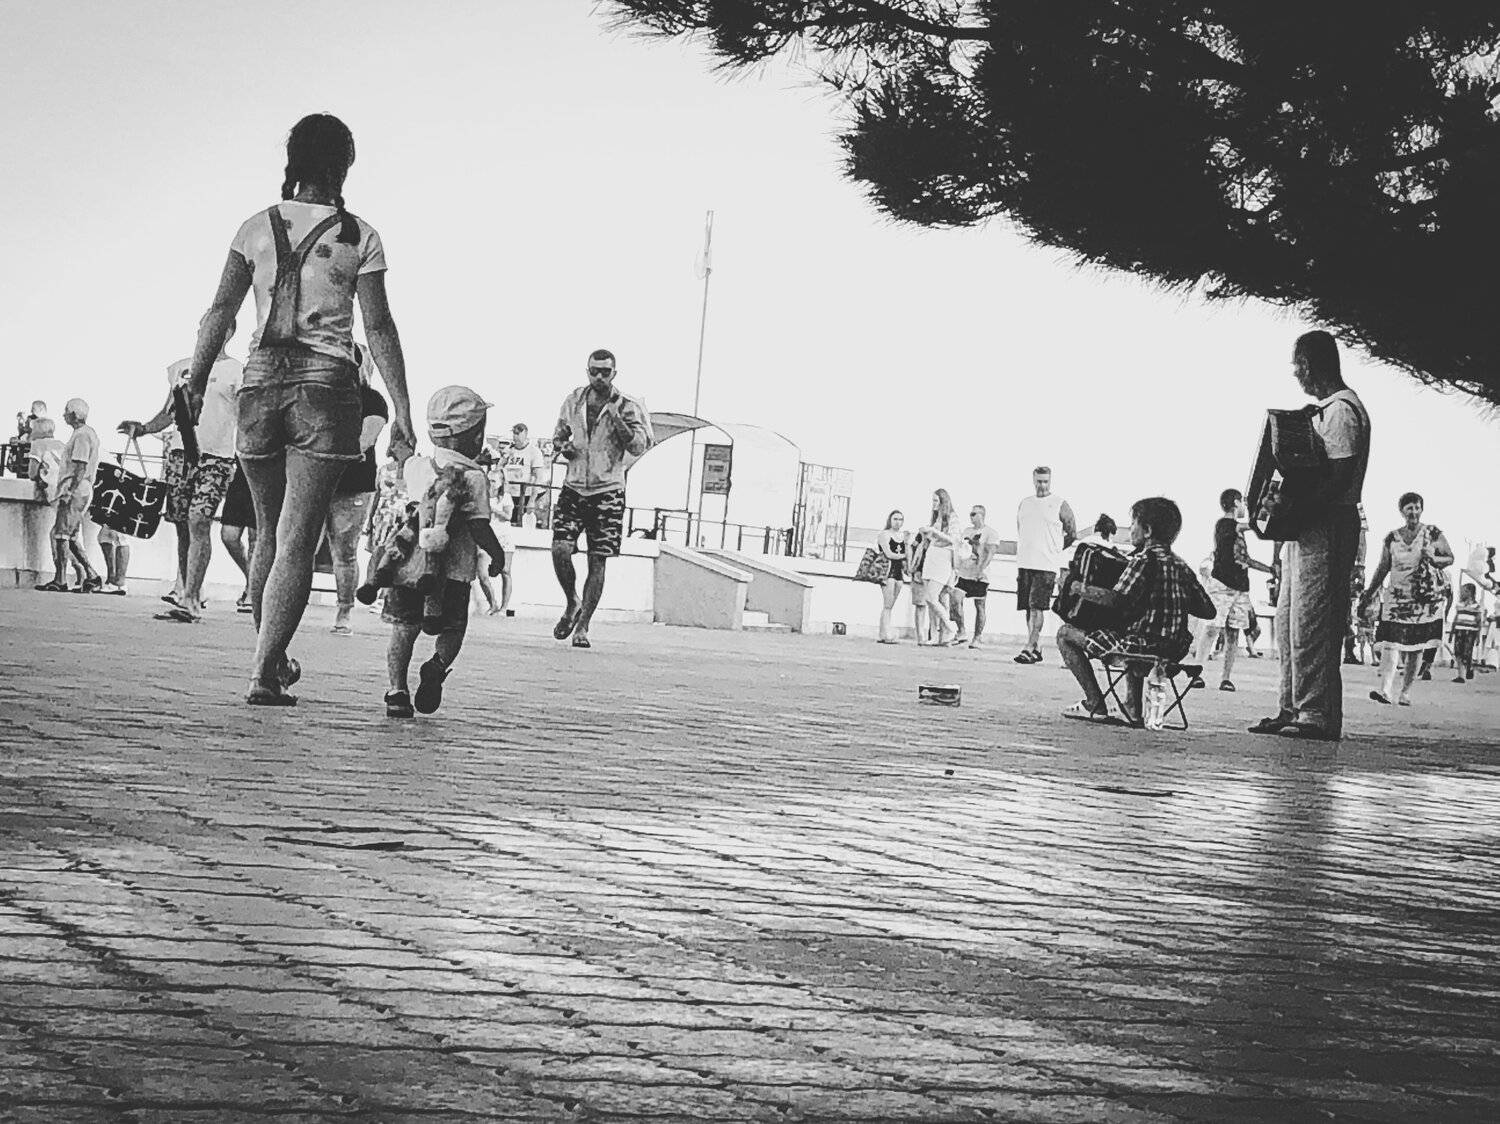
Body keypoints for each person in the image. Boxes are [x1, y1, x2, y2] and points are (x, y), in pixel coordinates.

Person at [184, 113, 416, 704]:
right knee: (296, 538)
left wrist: (197, 378)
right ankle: (264, 672)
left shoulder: (255, 228)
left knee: (266, 532)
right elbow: (379, 327)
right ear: (344, 165)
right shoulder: (358, 235)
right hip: (326, 385)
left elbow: (220, 311)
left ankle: (271, 659)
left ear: (293, 160)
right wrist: (403, 411)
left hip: (260, 380)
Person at [1249, 331, 1370, 741]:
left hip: (1327, 524)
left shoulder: (1342, 412)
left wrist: (1293, 507)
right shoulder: (1326, 410)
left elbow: (1338, 479)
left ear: (1311, 364)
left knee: (1314, 622)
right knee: (1290, 622)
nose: (1295, 373)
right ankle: (1292, 706)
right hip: (1308, 528)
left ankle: (1315, 712)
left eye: (1297, 364)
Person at [382, 387, 505, 718]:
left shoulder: (416, 467)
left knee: (403, 629)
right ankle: (436, 665)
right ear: (476, 435)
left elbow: (402, 459)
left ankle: (397, 691)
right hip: (454, 573)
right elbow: (479, 526)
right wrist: (496, 555)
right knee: (453, 628)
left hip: (409, 570)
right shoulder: (474, 478)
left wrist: (401, 433)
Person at [121, 322, 244, 622]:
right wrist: (144, 428)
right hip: (180, 453)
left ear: (227, 333)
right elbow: (169, 412)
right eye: (202, 326)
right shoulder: (181, 368)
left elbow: (245, 416)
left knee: (199, 519)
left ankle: (191, 599)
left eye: (211, 326)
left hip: (217, 457)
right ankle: (188, 593)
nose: (203, 332)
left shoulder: (236, 371)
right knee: (181, 524)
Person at [1055, 497, 1217, 724]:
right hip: (1174, 649)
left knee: (1065, 634)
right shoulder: (1182, 566)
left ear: (1147, 530)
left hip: (1141, 649)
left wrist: (1078, 588)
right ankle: (1132, 706)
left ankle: (1094, 703)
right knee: (1136, 626)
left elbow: (1116, 601)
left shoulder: (1143, 560)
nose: (1130, 529)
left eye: (1133, 524)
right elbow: (1208, 611)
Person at [551, 349, 652, 649]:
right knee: (560, 549)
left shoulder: (629, 405)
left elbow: (638, 446)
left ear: (614, 374)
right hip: (574, 486)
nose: (599, 377)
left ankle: (583, 626)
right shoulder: (574, 400)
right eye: (594, 371)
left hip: (607, 490)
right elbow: (558, 435)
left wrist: (617, 419)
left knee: (598, 559)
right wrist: (564, 446)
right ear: (587, 371)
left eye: (605, 372)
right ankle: (572, 601)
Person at [1360, 493, 1454, 706]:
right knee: (1391, 643)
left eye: (1417, 507)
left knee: (1416, 646)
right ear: (1401, 511)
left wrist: (1433, 557)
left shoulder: (1432, 533)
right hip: (1396, 598)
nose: (1413, 512)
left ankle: (1405, 692)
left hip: (1423, 599)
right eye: (1409, 508)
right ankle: (1385, 690)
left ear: (1422, 509)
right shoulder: (1392, 538)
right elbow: (1383, 567)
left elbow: (1450, 557)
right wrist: (1369, 593)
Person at [325, 353, 388, 635]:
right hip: (318, 479)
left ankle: (344, 610)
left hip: (354, 483)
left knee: (345, 550)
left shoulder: (372, 400)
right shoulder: (323, 395)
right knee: (299, 546)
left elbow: (366, 439)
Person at [1195, 488, 1274, 692]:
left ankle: (1223, 677)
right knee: (1214, 629)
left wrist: (1269, 569)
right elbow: (1252, 526)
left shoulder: (1234, 531)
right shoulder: (1225, 524)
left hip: (1238, 587)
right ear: (1236, 503)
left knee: (1231, 632)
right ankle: (1199, 673)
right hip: (1224, 585)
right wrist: (1265, 511)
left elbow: (1245, 560)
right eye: (1242, 503)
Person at [36, 400, 103, 593]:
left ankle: (61, 579)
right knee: (70, 536)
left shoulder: (82, 435)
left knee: (61, 534)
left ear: (74, 414)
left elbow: (80, 466)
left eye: (66, 411)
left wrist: (69, 491)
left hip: (76, 489)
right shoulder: (86, 433)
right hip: (81, 489)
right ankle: (91, 575)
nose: (63, 415)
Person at [1014, 466, 1076, 664]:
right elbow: (1020, 528)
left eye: (1045, 482)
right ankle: (1036, 645)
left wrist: (1054, 549)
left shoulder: (1059, 504)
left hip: (1046, 564)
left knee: (1037, 606)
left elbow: (1071, 532)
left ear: (1050, 481)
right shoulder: (1025, 503)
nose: (1042, 485)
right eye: (1039, 481)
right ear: (1033, 480)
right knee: (1027, 607)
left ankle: (1029, 646)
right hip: (1025, 561)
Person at [949, 504, 1001, 649]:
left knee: (979, 605)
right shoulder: (967, 531)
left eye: (974, 514)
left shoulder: (990, 533)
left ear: (981, 515)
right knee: (955, 599)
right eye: (970, 514)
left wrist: (980, 570)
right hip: (965, 572)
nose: (971, 517)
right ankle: (961, 631)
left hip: (980, 575)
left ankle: (977, 637)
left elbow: (990, 553)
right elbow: (960, 549)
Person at [915, 490, 960, 647]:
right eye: (933, 501)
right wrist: (928, 534)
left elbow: (954, 540)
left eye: (936, 501)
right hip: (931, 556)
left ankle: (950, 627)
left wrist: (935, 532)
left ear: (943, 501)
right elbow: (932, 540)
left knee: (932, 597)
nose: (933, 504)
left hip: (943, 558)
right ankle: (934, 635)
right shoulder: (935, 518)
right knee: (931, 601)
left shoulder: (952, 518)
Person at [219, 464, 257, 612]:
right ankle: (251, 579)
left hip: (266, 476)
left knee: (256, 539)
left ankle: (252, 593)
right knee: (229, 536)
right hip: (242, 476)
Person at [476, 491, 515, 616]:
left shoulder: (505, 497)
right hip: (487, 538)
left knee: (505, 571)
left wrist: (493, 510)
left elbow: (508, 516)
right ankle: (492, 604)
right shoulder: (481, 496)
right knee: (482, 574)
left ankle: (504, 608)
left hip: (504, 537)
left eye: (494, 481)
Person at [501, 422, 548, 527]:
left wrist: (532, 500)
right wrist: (504, 457)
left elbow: (538, 477)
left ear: (525, 434)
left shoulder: (534, 452)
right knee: (507, 521)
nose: (515, 436)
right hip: (509, 492)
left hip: (525, 494)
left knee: (520, 522)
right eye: (514, 433)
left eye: (518, 434)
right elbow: (499, 469)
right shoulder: (509, 449)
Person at [875, 510, 909, 644]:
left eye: (900, 519)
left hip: (899, 571)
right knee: (887, 604)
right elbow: (889, 553)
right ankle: (886, 633)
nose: (898, 522)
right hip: (888, 570)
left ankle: (883, 632)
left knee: (891, 605)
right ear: (890, 520)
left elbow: (907, 552)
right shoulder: (884, 534)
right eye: (895, 519)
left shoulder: (902, 536)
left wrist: (907, 544)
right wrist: (904, 556)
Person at [1450, 582, 1482, 683]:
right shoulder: (1459, 604)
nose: (1462, 593)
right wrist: (1451, 632)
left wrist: (1478, 636)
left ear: (1470, 592)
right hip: (1459, 630)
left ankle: (1469, 666)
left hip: (1470, 631)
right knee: (1458, 652)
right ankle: (1461, 675)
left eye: (1464, 591)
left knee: (1467, 652)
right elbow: (1456, 618)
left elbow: (1478, 621)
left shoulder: (1476, 606)